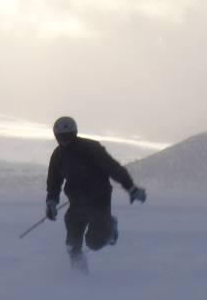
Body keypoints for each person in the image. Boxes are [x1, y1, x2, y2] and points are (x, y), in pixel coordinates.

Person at [45, 116, 147, 273]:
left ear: (74, 133)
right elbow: (53, 181)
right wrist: (51, 202)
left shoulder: (91, 148)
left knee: (95, 242)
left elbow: (113, 168)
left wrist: (131, 188)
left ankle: (110, 227)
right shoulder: (58, 155)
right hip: (76, 202)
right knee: (73, 244)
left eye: (67, 136)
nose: (63, 141)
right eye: (60, 137)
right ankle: (79, 277)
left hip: (99, 199)